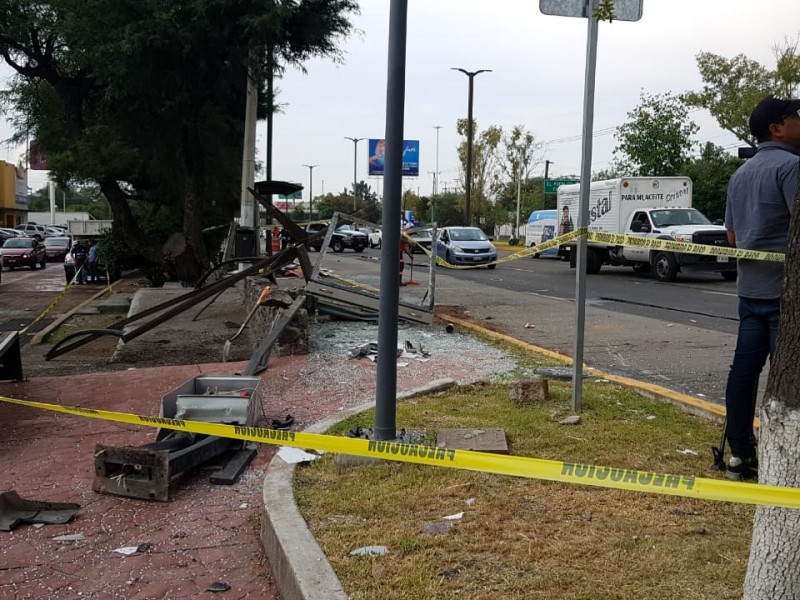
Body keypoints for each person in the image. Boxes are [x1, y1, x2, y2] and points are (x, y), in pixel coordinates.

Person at [723, 94, 800, 481]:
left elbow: (733, 236)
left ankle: (739, 454)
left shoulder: (741, 174)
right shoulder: (792, 168)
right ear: (777, 128)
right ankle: (786, 460)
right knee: (789, 380)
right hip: (787, 295)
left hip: (750, 291)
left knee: (744, 372)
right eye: (796, 116)